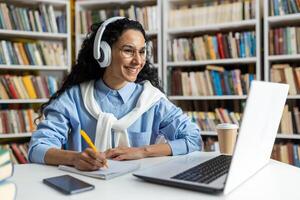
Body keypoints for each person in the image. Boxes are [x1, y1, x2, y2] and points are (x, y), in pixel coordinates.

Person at [28, 17, 202, 171]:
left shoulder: (151, 100)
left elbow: (193, 138)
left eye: (141, 52)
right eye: (128, 50)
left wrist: (142, 151)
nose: (138, 61)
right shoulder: (74, 98)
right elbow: (37, 148)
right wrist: (74, 158)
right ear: (104, 53)